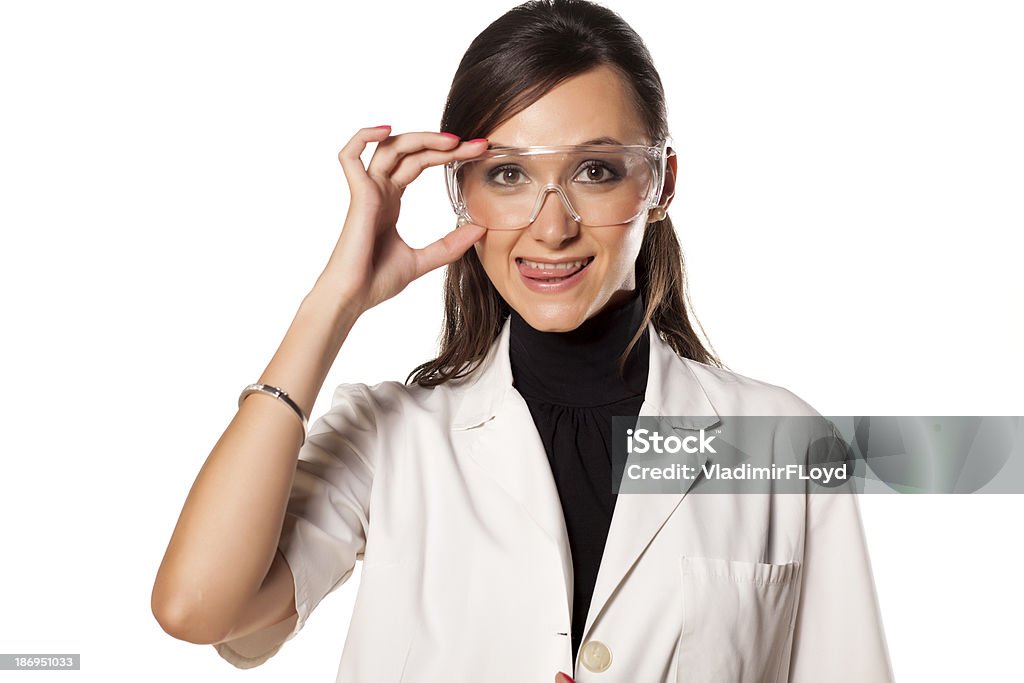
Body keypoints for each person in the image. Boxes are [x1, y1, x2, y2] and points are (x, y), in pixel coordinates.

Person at [152, 1, 895, 681]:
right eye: (507, 173)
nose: (551, 225)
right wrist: (334, 302)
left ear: (660, 184)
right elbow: (198, 606)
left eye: (596, 171)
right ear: (461, 191)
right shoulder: (393, 438)